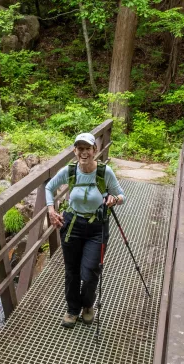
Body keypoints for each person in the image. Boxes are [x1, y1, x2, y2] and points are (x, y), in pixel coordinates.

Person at [45, 132, 125, 328]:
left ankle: (88, 305)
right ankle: (73, 309)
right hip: (72, 225)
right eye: (80, 149)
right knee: (72, 271)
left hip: (97, 227)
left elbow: (121, 195)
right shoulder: (70, 171)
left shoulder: (105, 172)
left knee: (90, 272)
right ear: (75, 151)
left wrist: (115, 200)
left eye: (87, 148)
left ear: (94, 150)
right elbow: (49, 187)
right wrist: (51, 209)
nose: (84, 152)